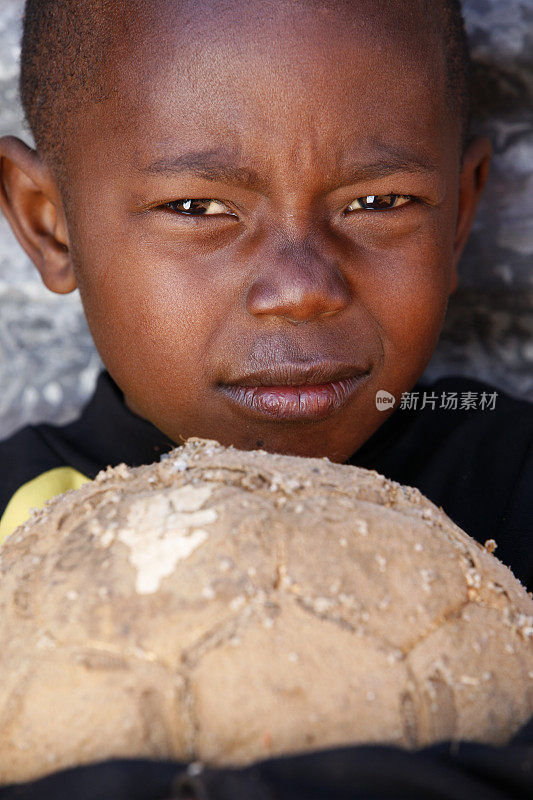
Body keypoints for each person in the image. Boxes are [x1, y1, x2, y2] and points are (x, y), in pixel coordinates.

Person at [0, 1, 531, 798]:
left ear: (459, 211)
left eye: (378, 203)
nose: (300, 290)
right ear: (50, 223)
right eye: (197, 208)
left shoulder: (515, 478)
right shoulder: (16, 528)